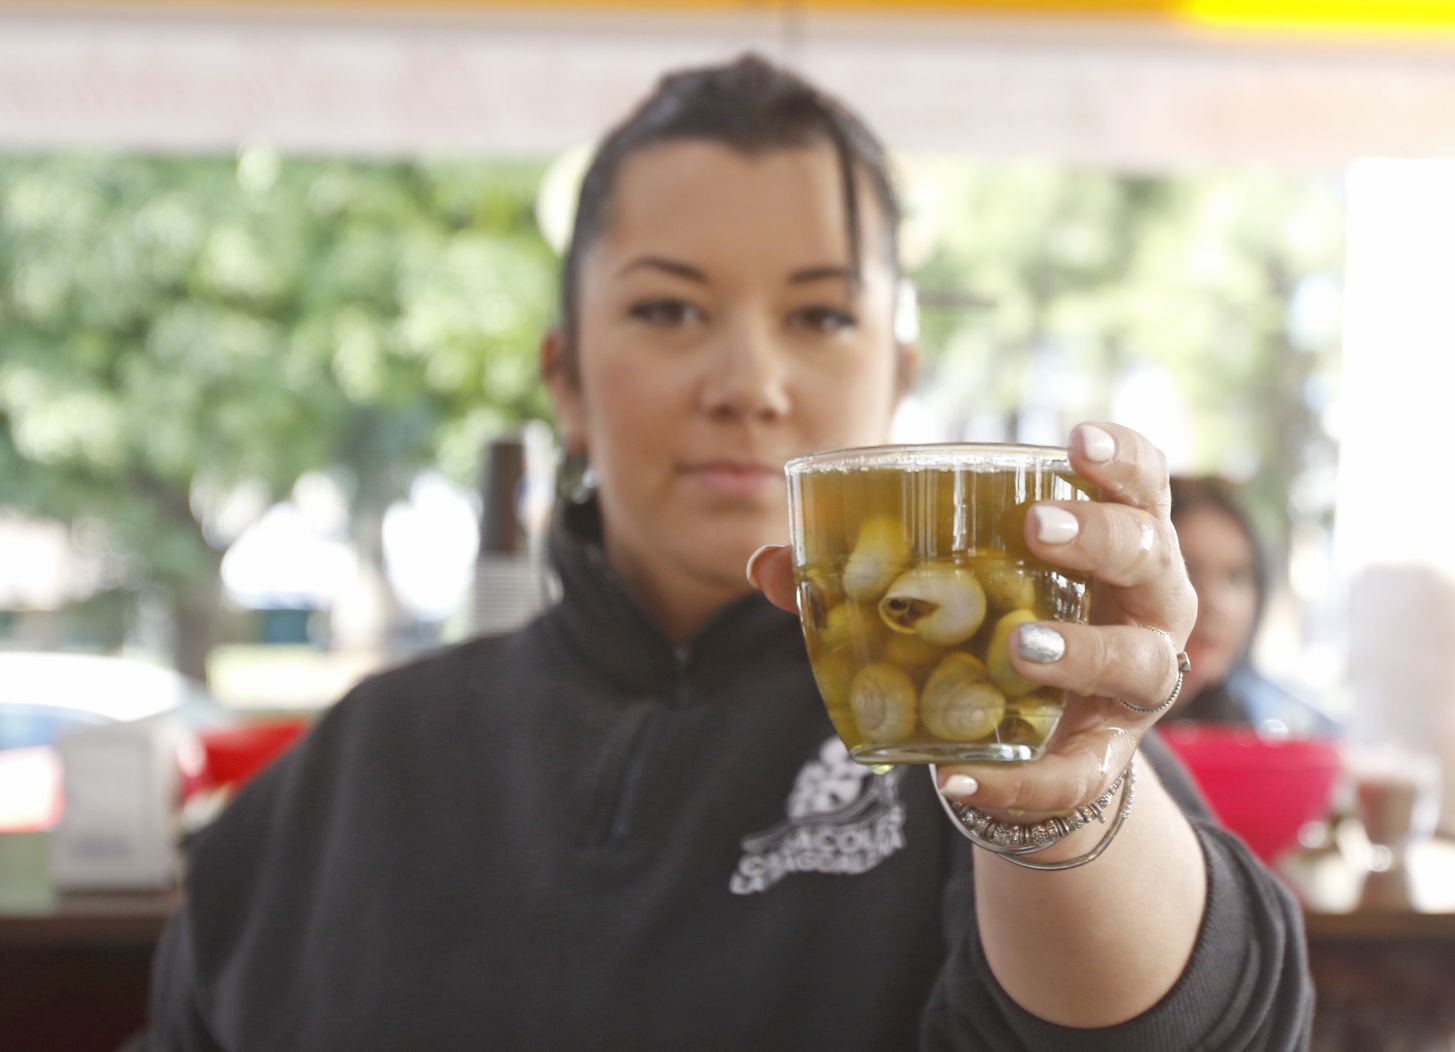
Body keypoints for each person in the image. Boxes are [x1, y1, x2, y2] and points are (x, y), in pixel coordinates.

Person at [139, 55, 1312, 1050]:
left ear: (896, 379)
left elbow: (1198, 1017)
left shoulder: (992, 715)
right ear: (568, 382)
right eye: (667, 309)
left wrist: (1064, 816)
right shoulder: (359, 764)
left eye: (820, 315)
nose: (748, 383)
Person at [1166, 475, 1337, 737]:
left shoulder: (1245, 728)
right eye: (1189, 571)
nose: (1218, 604)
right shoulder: (1096, 731)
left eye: (1236, 576)